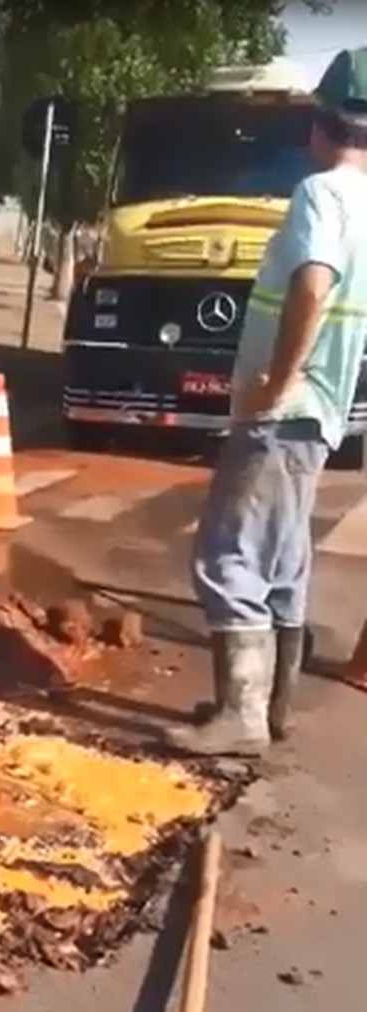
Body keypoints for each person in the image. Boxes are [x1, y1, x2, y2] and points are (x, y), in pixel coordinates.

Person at [166, 48, 367, 757]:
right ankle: (271, 707)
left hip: (286, 408)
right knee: (282, 555)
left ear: (321, 123)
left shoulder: (321, 194)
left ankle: (241, 715)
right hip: (322, 412)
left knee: (226, 553)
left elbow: (313, 284)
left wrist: (274, 385)